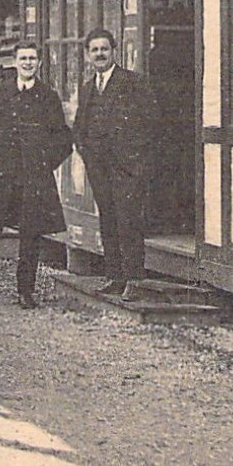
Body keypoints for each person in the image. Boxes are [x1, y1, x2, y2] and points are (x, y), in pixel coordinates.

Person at [0, 43, 74, 308]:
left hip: (30, 178)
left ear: (39, 63)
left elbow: (64, 139)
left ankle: (25, 293)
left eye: (32, 59)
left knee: (30, 235)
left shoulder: (48, 97)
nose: (27, 63)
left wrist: (43, 162)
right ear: (15, 62)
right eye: (23, 58)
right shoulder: (2, 92)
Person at [73, 28, 158, 300]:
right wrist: (86, 153)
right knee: (108, 220)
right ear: (88, 55)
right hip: (99, 169)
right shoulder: (88, 89)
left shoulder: (133, 83)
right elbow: (80, 127)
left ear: (113, 51)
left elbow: (151, 122)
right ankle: (114, 276)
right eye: (95, 50)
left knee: (128, 221)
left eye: (104, 49)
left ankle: (134, 279)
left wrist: (136, 161)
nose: (100, 54)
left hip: (127, 168)